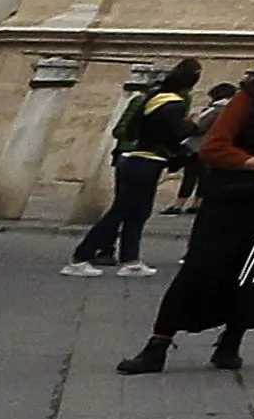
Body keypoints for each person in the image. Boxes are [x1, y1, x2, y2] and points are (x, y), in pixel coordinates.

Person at [121, 22, 254, 370]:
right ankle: (158, 344)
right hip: (234, 198)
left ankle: (230, 343)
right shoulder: (252, 93)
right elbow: (214, 147)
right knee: (201, 268)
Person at [68, 58, 196, 275]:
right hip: (147, 161)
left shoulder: (153, 99)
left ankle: (131, 260)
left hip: (136, 159)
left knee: (137, 212)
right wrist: (192, 126)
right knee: (122, 211)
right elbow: (172, 135)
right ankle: (81, 257)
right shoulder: (173, 104)